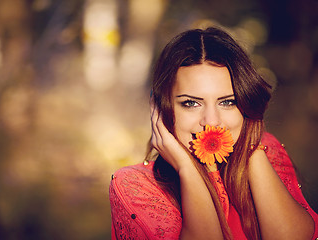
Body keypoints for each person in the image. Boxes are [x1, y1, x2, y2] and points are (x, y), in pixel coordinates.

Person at [109, 27, 318, 239]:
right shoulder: (135, 185)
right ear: (161, 108)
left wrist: (250, 149)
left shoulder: (265, 149)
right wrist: (188, 170)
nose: (211, 122)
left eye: (228, 102)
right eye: (191, 103)